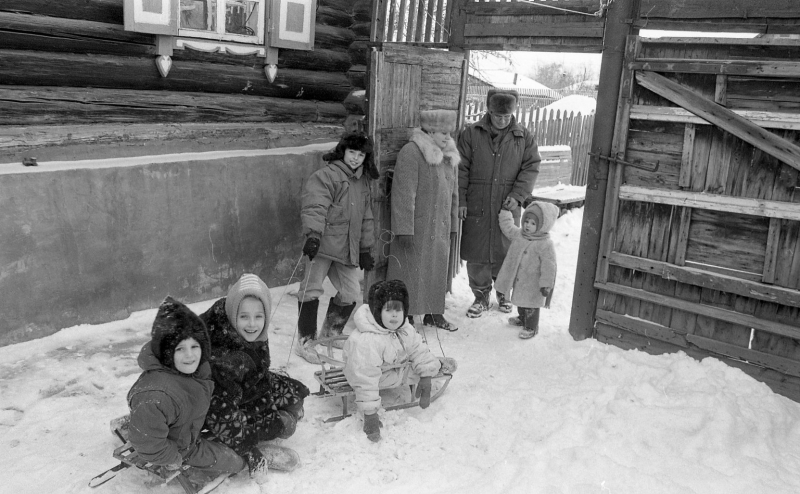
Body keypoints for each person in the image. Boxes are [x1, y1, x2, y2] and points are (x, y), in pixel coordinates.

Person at [199, 273, 309, 482]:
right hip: (214, 404)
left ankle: (265, 424)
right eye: (244, 317)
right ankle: (247, 447)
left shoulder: (248, 333)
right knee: (286, 425)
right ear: (233, 314)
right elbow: (219, 410)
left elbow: (257, 372)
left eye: (258, 316)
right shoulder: (221, 356)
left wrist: (271, 400)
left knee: (295, 395)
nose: (252, 324)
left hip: (243, 387)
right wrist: (249, 449)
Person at [127, 297, 246, 489]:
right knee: (235, 462)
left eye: (194, 346)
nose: (190, 355)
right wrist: (173, 457)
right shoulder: (156, 397)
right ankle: (244, 461)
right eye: (179, 349)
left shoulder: (194, 368)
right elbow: (147, 445)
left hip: (186, 423)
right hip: (181, 446)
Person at [457, 89, 541, 318]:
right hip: (477, 202)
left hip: (508, 203)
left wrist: (518, 195)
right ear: (489, 111)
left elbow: (531, 166)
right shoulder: (472, 133)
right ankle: (480, 296)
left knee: (507, 250)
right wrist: (461, 200)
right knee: (477, 252)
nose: (502, 121)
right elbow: (461, 168)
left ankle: (504, 293)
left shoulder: (523, 136)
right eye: (497, 116)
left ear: (513, 113)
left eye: (507, 116)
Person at [296, 132, 379, 363]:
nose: (355, 158)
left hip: (346, 249)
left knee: (351, 292)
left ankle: (331, 333)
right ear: (343, 151)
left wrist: (364, 249)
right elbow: (315, 205)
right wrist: (313, 235)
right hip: (322, 246)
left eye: (360, 154)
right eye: (352, 152)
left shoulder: (362, 183)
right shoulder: (326, 176)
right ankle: (306, 340)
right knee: (311, 289)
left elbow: (366, 217)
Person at [343, 280, 458, 442]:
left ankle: (431, 366)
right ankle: (437, 365)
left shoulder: (404, 328)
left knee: (419, 360)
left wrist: (425, 378)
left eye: (399, 309)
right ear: (377, 311)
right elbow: (364, 377)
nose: (395, 315)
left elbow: (418, 348)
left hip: (392, 366)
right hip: (369, 375)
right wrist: (370, 415)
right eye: (388, 310)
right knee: (406, 372)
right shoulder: (368, 341)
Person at [387, 109, 460, 332]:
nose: (447, 137)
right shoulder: (412, 152)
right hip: (417, 225)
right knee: (410, 270)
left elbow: (454, 193)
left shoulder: (448, 155)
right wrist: (404, 229)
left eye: (449, 133)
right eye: (442, 132)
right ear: (428, 131)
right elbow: (403, 193)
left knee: (437, 270)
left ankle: (433, 313)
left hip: (440, 225)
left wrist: (454, 224)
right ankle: (405, 315)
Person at [495, 202, 559, 338]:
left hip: (534, 283)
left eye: (533, 223)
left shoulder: (545, 244)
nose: (527, 225)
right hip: (520, 279)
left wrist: (546, 284)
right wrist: (506, 213)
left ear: (543, 225)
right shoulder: (520, 235)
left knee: (531, 305)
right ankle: (522, 318)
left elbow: (549, 266)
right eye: (526, 221)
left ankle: (531, 327)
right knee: (520, 300)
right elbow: (508, 228)